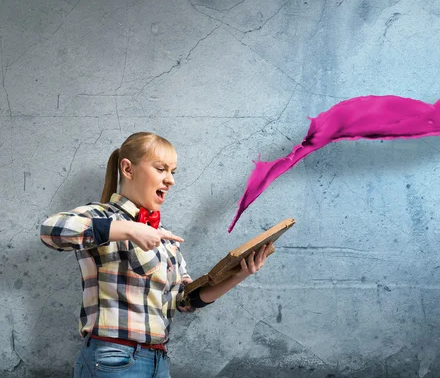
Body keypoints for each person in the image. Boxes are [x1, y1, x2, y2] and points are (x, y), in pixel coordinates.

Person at [39, 132, 273, 377]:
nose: (170, 180)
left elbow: (185, 301)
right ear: (128, 169)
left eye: (173, 171)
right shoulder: (103, 217)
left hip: (158, 361)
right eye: (161, 169)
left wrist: (238, 274)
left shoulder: (164, 237)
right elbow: (50, 231)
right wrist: (129, 229)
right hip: (112, 359)